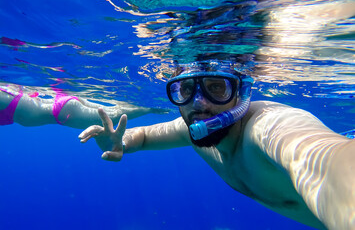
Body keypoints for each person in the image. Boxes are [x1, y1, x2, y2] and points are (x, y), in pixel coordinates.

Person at [79, 62, 354, 230]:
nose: (199, 104)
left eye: (217, 88)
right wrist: (119, 141)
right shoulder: (191, 130)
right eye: (186, 90)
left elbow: (324, 161)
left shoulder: (267, 127)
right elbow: (144, 136)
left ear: (241, 93)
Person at [0, 82, 167, 129]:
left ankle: (151, 107)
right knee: (113, 111)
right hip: (60, 106)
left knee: (113, 115)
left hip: (60, 112)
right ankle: (148, 106)